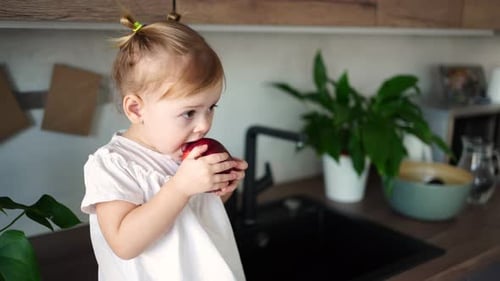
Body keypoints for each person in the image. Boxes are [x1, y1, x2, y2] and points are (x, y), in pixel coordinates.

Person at [81, 13, 248, 281]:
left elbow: (195, 214)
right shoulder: (112, 164)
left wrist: (220, 187)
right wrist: (180, 187)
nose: (204, 125)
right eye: (189, 112)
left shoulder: (188, 153)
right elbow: (124, 244)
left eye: (211, 107)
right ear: (136, 109)